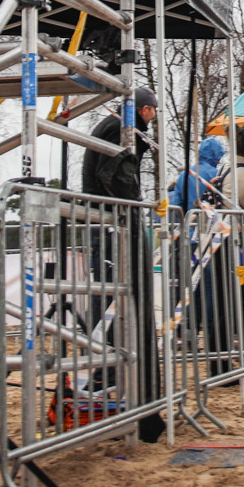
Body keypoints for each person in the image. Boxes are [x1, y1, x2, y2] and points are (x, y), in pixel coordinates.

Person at [79, 87, 161, 440]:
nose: (154, 118)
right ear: (145, 110)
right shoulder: (122, 129)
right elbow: (113, 174)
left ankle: (111, 366)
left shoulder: (116, 125)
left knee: (114, 294)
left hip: (108, 219)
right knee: (113, 296)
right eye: (153, 111)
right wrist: (133, 204)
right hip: (110, 221)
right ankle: (108, 370)